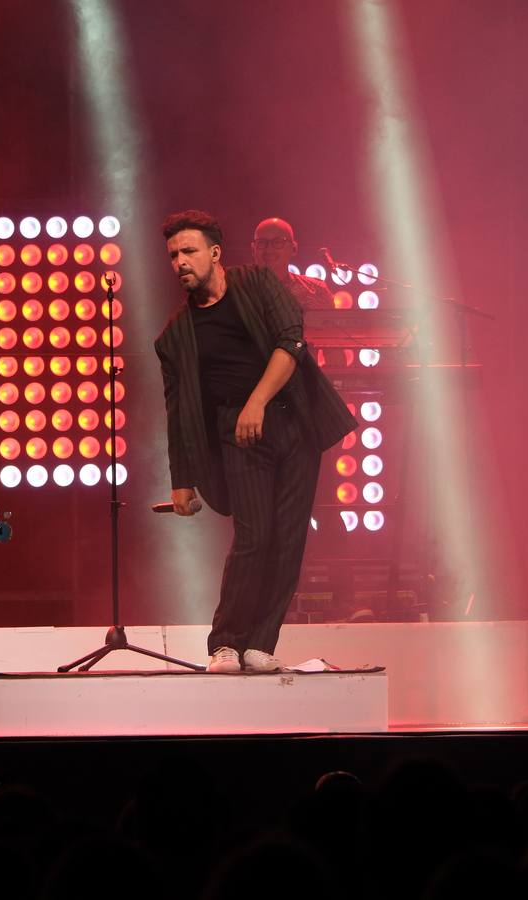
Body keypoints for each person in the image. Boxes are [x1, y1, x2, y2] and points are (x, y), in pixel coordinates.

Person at [155, 210, 355, 673]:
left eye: (189, 251)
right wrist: (181, 480)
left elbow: (292, 341)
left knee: (289, 539)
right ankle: (225, 641)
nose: (180, 261)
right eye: (173, 255)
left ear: (215, 253)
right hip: (237, 434)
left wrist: (259, 401)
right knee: (253, 536)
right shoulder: (175, 336)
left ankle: (260, 643)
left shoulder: (259, 283)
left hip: (293, 424)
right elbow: (178, 412)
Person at [250, 217, 336, 310]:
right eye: (262, 243)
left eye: (278, 242)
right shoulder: (235, 291)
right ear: (253, 249)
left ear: (294, 249)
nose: (269, 249)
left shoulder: (317, 290)